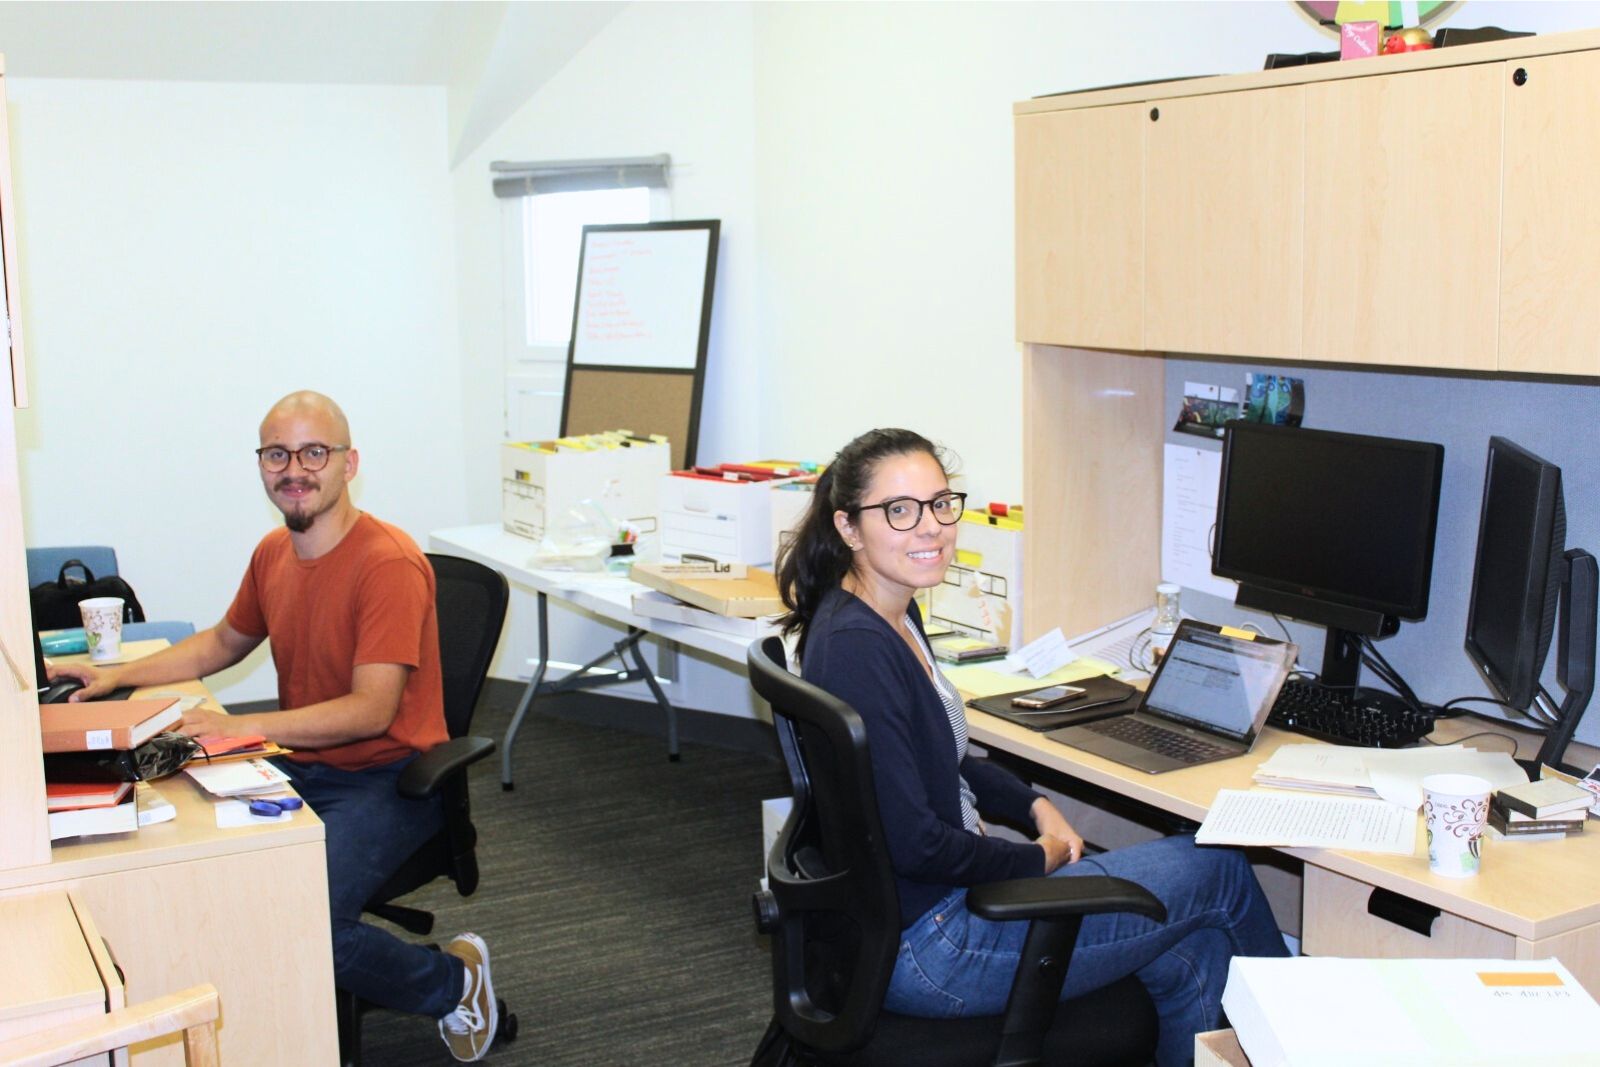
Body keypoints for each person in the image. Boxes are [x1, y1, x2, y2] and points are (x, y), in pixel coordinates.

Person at [776, 427, 1287, 1067]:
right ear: (849, 527)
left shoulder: (889, 612)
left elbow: (947, 761)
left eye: (940, 504)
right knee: (1220, 870)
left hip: (911, 920)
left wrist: (1035, 805)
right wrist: (1035, 860)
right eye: (899, 512)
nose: (930, 528)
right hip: (935, 947)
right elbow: (916, 842)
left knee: (1197, 953)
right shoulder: (859, 649)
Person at [50, 391, 499, 1062]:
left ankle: (454, 981)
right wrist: (118, 677)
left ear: (350, 463)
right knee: (187, 836)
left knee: (309, 922)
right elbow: (224, 641)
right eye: (278, 453)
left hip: (390, 779)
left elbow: (370, 710)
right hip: (303, 761)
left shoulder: (388, 563)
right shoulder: (273, 552)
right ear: (261, 464)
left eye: (314, 452)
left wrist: (239, 728)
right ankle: (264, 1008)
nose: (295, 469)